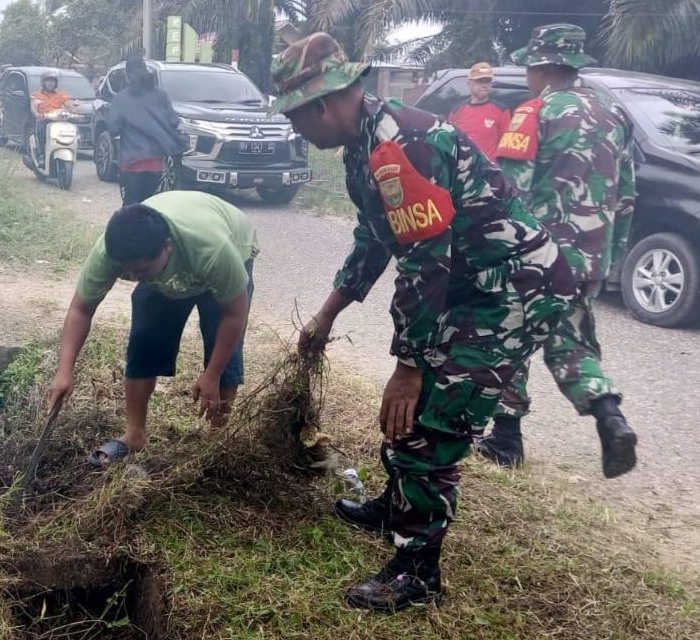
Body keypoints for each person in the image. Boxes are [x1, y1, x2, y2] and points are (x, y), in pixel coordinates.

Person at [272, 33, 578, 611]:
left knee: (430, 422)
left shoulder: (402, 144)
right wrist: (325, 316)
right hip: (469, 284)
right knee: (412, 415)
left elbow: (424, 262)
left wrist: (409, 367)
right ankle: (397, 506)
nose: (295, 130)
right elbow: (374, 239)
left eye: (294, 117)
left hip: (510, 289)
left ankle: (417, 571)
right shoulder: (364, 145)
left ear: (322, 105)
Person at [478, 24, 638, 475]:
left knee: (510, 335)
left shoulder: (534, 112)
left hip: (539, 254)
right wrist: (610, 256)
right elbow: (627, 194)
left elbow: (508, 190)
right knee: (569, 339)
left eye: (529, 67)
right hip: (589, 257)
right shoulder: (613, 112)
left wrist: (491, 250)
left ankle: (506, 438)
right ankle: (610, 415)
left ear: (544, 67)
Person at [46, 191, 258, 467]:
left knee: (223, 347)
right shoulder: (110, 252)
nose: (134, 277)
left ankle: (216, 441)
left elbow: (234, 314)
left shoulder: (213, 251)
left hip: (227, 241)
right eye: (127, 271)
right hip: (174, 256)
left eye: (141, 271)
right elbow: (81, 309)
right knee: (144, 339)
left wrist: (212, 373)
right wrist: (64, 371)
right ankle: (134, 434)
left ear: (166, 247)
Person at [107, 57, 185, 205]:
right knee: (148, 204)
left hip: (130, 162)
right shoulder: (161, 95)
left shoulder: (121, 98)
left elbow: (114, 129)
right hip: (155, 163)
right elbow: (173, 122)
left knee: (130, 205)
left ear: (127, 75)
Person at [447, 62, 509, 161]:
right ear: (469, 83)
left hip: (489, 169)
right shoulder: (457, 110)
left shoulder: (501, 110)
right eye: (480, 81)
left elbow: (506, 147)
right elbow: (450, 143)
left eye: (487, 81)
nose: (484, 85)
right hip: (463, 167)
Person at [28, 69, 75, 162]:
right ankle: (41, 154)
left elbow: (70, 105)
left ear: (56, 83)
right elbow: (33, 107)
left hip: (59, 121)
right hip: (44, 120)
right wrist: (37, 114)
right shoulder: (37, 95)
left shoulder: (61, 95)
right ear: (43, 82)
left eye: (52, 81)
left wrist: (74, 109)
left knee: (71, 129)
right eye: (48, 81)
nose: (50, 83)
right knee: (40, 128)